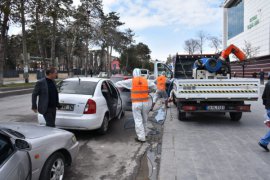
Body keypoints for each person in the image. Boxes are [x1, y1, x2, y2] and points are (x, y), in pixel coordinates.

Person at [115, 68, 155, 142]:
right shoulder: (146, 80)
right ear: (140, 73)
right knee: (144, 119)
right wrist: (150, 90)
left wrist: (113, 84)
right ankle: (145, 134)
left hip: (136, 103)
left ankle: (141, 138)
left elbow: (119, 83)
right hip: (145, 103)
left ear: (133, 74)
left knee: (138, 120)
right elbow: (154, 86)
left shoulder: (131, 81)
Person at [258, 79, 270, 151]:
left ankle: (264, 142)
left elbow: (264, 96)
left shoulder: (268, 83)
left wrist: (267, 106)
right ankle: (263, 142)